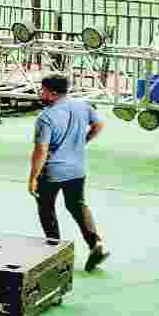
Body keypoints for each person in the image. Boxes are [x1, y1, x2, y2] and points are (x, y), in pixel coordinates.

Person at [29, 74, 110, 271]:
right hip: (77, 170)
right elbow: (99, 125)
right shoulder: (83, 106)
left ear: (52, 93)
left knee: (46, 208)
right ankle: (95, 243)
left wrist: (33, 178)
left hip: (52, 173)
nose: (41, 93)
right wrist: (83, 141)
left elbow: (41, 150)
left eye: (43, 90)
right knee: (77, 205)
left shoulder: (46, 117)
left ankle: (55, 252)